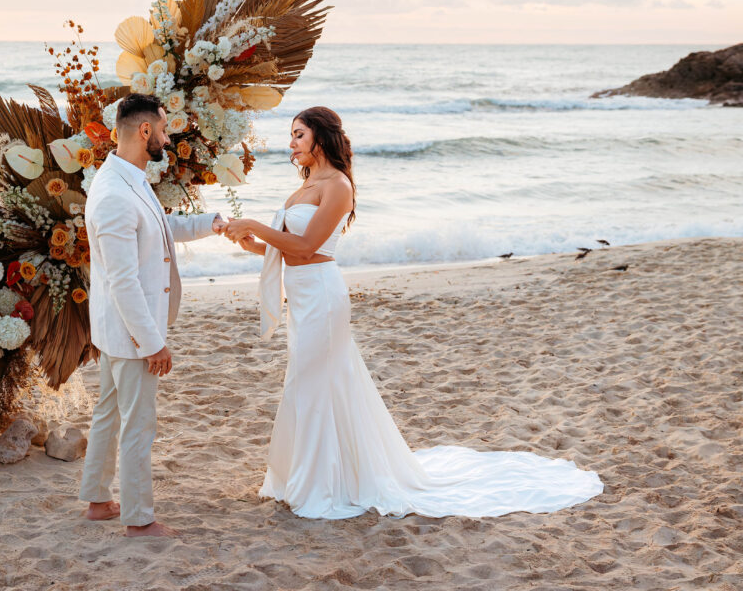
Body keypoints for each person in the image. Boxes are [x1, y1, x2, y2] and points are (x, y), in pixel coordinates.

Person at [223, 106, 603, 520]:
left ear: (321, 137)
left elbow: (309, 247)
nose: (291, 143)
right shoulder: (305, 185)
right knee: (313, 383)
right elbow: (287, 249)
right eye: (291, 135)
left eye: (299, 134)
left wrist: (257, 225)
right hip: (301, 297)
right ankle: (315, 475)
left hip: (322, 295)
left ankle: (320, 483)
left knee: (311, 382)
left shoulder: (338, 186)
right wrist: (254, 245)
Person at [79, 93, 226, 537]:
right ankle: (140, 521)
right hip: (129, 335)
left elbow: (162, 227)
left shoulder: (128, 178)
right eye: (163, 128)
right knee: (138, 426)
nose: (167, 136)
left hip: (115, 332)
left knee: (108, 414)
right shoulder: (113, 196)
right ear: (145, 131)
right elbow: (123, 281)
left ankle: (97, 499)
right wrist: (153, 343)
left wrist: (212, 222)